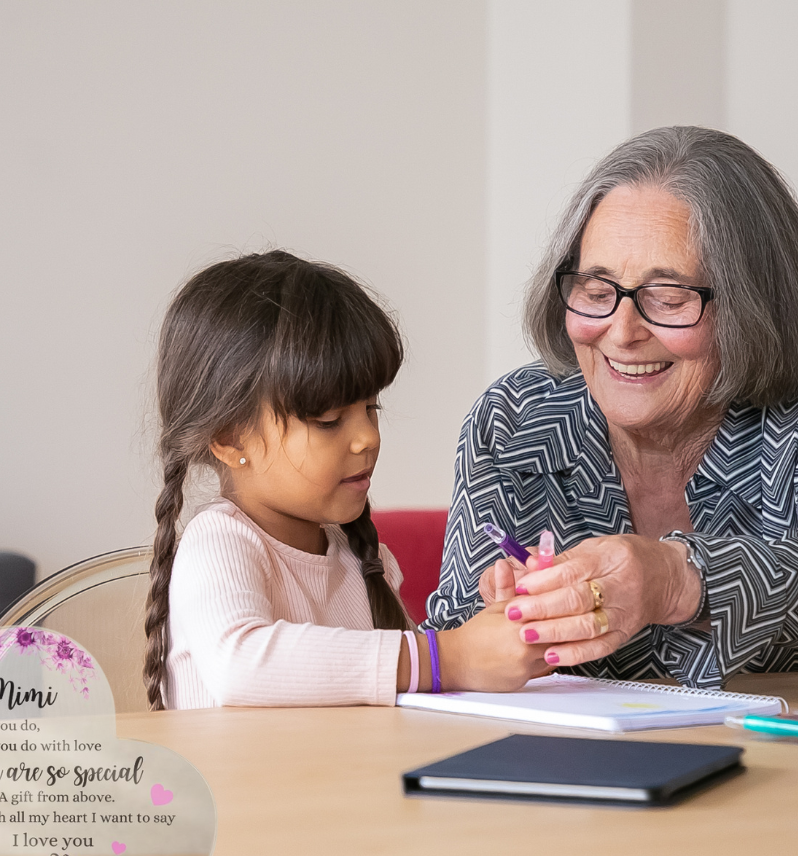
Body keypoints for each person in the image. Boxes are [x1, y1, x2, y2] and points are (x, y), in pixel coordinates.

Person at [427, 125, 798, 689]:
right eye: (597, 292)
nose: (621, 333)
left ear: (753, 305)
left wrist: (673, 577)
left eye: (667, 299)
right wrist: (504, 623)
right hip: (568, 764)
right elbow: (459, 638)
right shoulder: (519, 418)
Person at [142, 250, 549, 709]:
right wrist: (446, 658)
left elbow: (407, 690)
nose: (367, 438)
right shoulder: (221, 540)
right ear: (230, 439)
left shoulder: (362, 559)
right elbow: (242, 665)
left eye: (371, 408)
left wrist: (503, 627)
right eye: (330, 420)